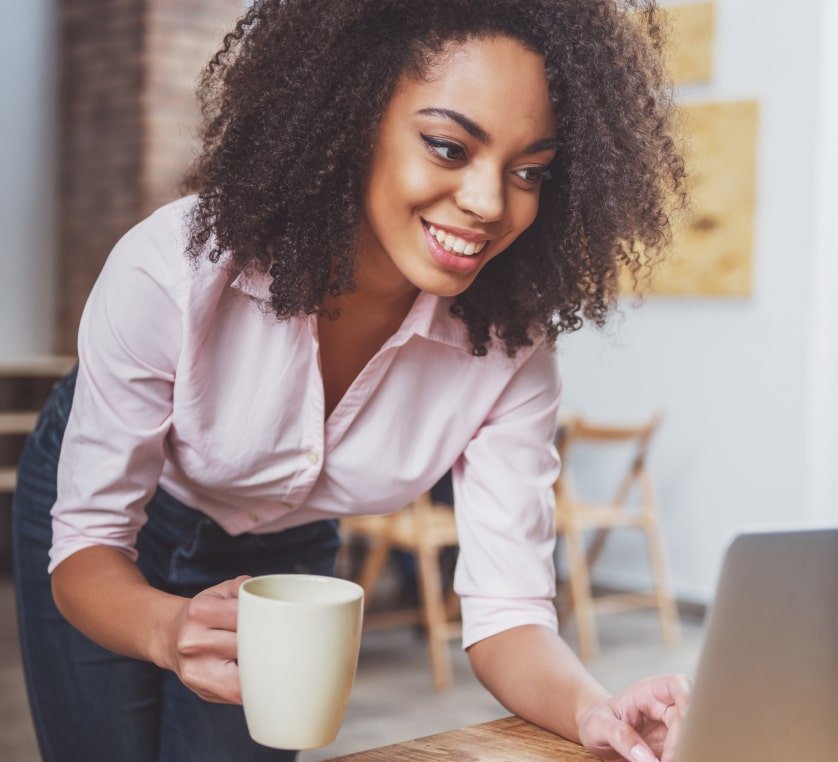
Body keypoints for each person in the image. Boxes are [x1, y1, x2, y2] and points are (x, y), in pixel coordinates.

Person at [12, 1, 690, 760]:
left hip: (281, 554)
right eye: (446, 146)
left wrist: (596, 712)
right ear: (353, 115)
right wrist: (166, 628)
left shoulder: (508, 351)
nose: (490, 202)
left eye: (529, 170)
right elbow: (86, 545)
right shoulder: (170, 273)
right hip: (117, 542)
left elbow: (510, 616)